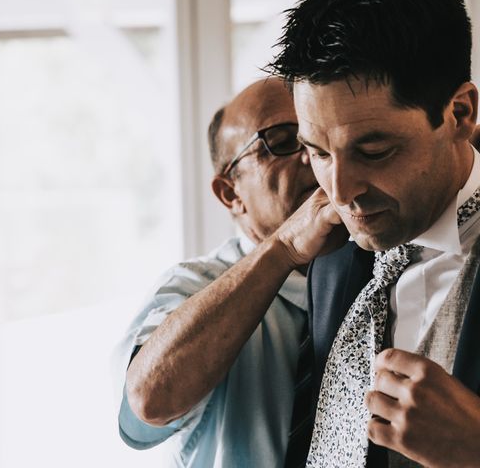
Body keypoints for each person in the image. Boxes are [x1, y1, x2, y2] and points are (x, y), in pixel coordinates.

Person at [267, 0, 480, 466]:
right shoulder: (332, 254)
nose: (341, 191)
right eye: (318, 152)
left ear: (460, 114)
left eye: (374, 151)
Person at [113, 77, 344, 467]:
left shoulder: (385, 268)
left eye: (315, 137)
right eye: (283, 140)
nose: (310, 156)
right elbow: (149, 402)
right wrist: (283, 248)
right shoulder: (194, 285)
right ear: (230, 193)